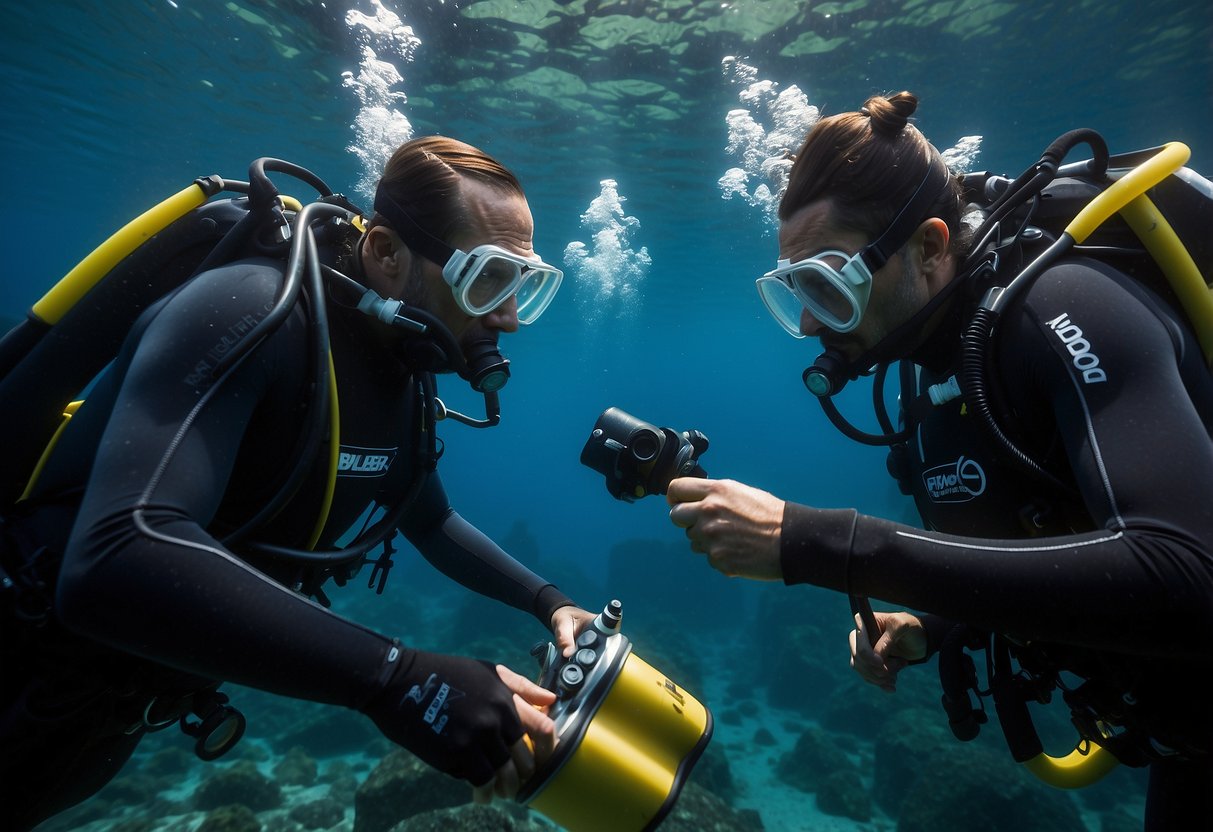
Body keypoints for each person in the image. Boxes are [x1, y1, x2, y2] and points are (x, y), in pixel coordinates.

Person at [0, 136, 595, 830]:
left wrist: (550, 604)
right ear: (385, 254)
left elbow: (429, 522)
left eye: (523, 282)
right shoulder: (248, 310)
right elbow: (116, 552)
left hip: (105, 717)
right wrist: (397, 680)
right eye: (488, 278)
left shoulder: (401, 371)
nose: (508, 317)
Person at [667, 92, 1213, 826]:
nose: (805, 322)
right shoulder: (936, 362)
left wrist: (821, 544)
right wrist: (936, 625)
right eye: (794, 289)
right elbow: (1038, 537)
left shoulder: (1065, 308)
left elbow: (1189, 578)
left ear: (927, 248)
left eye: (826, 284)